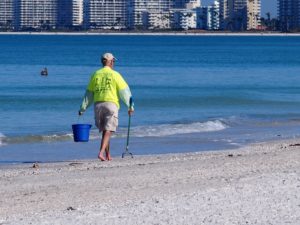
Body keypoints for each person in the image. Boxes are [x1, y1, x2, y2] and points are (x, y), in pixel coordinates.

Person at [78, 53, 134, 161]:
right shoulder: (115, 74)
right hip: (111, 104)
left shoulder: (95, 74)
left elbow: (89, 94)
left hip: (98, 105)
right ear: (110, 62)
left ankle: (108, 155)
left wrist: (82, 108)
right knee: (109, 130)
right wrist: (130, 106)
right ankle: (101, 152)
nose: (114, 63)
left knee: (105, 130)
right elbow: (125, 92)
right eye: (113, 61)